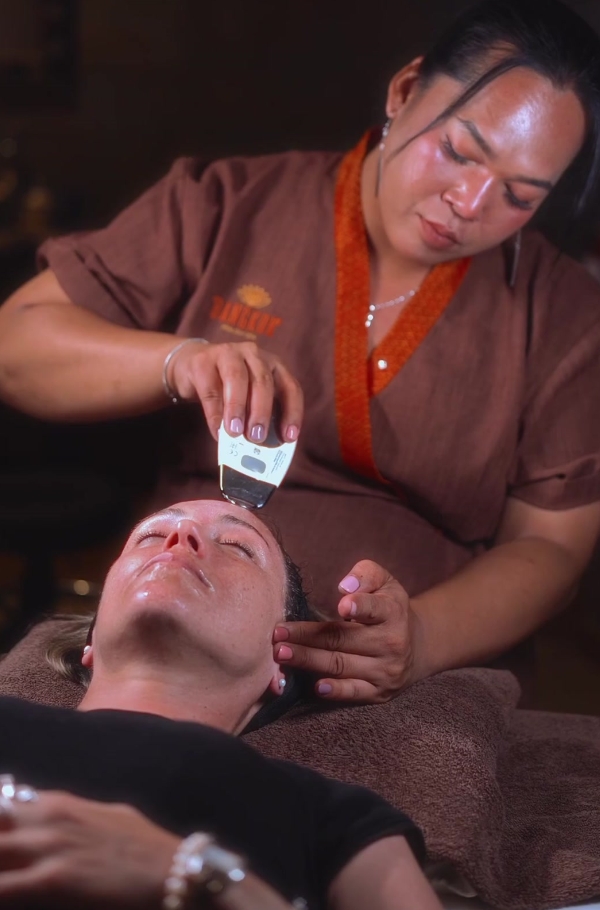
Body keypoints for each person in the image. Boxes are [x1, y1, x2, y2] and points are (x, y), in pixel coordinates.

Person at [1, 0, 600, 704]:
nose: (470, 202)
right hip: (171, 640)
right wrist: (179, 361)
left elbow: (551, 547)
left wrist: (419, 640)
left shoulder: (563, 313)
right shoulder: (228, 205)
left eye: (520, 195)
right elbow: (18, 344)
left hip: (404, 687)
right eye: (458, 152)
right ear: (406, 90)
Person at [0, 499, 440, 910]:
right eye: (151, 537)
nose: (182, 536)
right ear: (91, 642)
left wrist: (199, 876)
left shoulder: (327, 813)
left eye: (237, 547)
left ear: (282, 662)